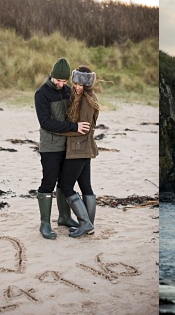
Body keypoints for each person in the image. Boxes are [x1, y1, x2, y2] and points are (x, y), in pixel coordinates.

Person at [35, 58, 89, 239]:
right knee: (48, 183)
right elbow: (46, 122)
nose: (61, 84)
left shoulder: (67, 91)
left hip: (68, 147)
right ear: (52, 76)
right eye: (58, 80)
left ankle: (65, 217)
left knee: (65, 183)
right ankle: (45, 225)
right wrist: (74, 128)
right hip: (50, 147)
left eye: (65, 81)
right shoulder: (41, 94)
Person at [58, 66, 100, 237]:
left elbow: (82, 128)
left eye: (81, 84)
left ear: (88, 84)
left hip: (79, 148)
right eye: (75, 83)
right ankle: (88, 226)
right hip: (85, 148)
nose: (77, 87)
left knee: (66, 186)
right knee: (85, 186)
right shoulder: (83, 97)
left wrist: (59, 130)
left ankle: (85, 223)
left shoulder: (86, 101)